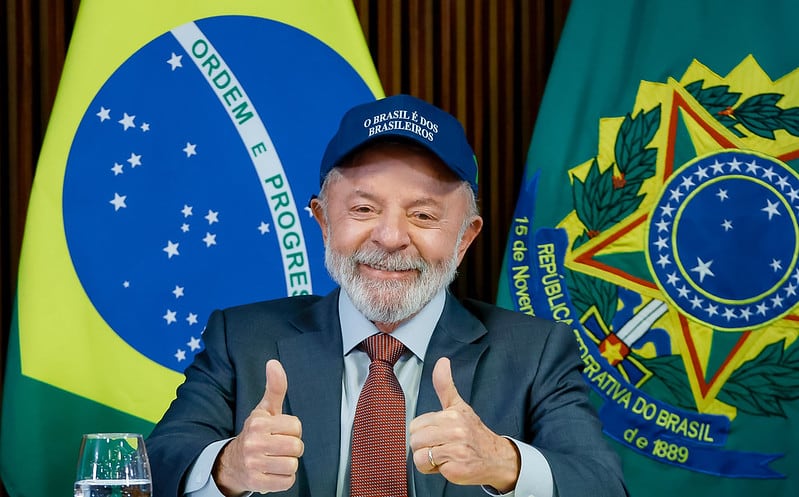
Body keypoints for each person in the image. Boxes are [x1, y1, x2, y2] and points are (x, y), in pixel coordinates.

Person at [146, 94, 628, 497]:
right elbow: (158, 465)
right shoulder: (241, 339)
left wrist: (504, 462)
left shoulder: (536, 352)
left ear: (464, 238)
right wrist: (229, 466)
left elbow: (605, 485)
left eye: (423, 216)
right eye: (363, 209)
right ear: (323, 221)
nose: (391, 237)